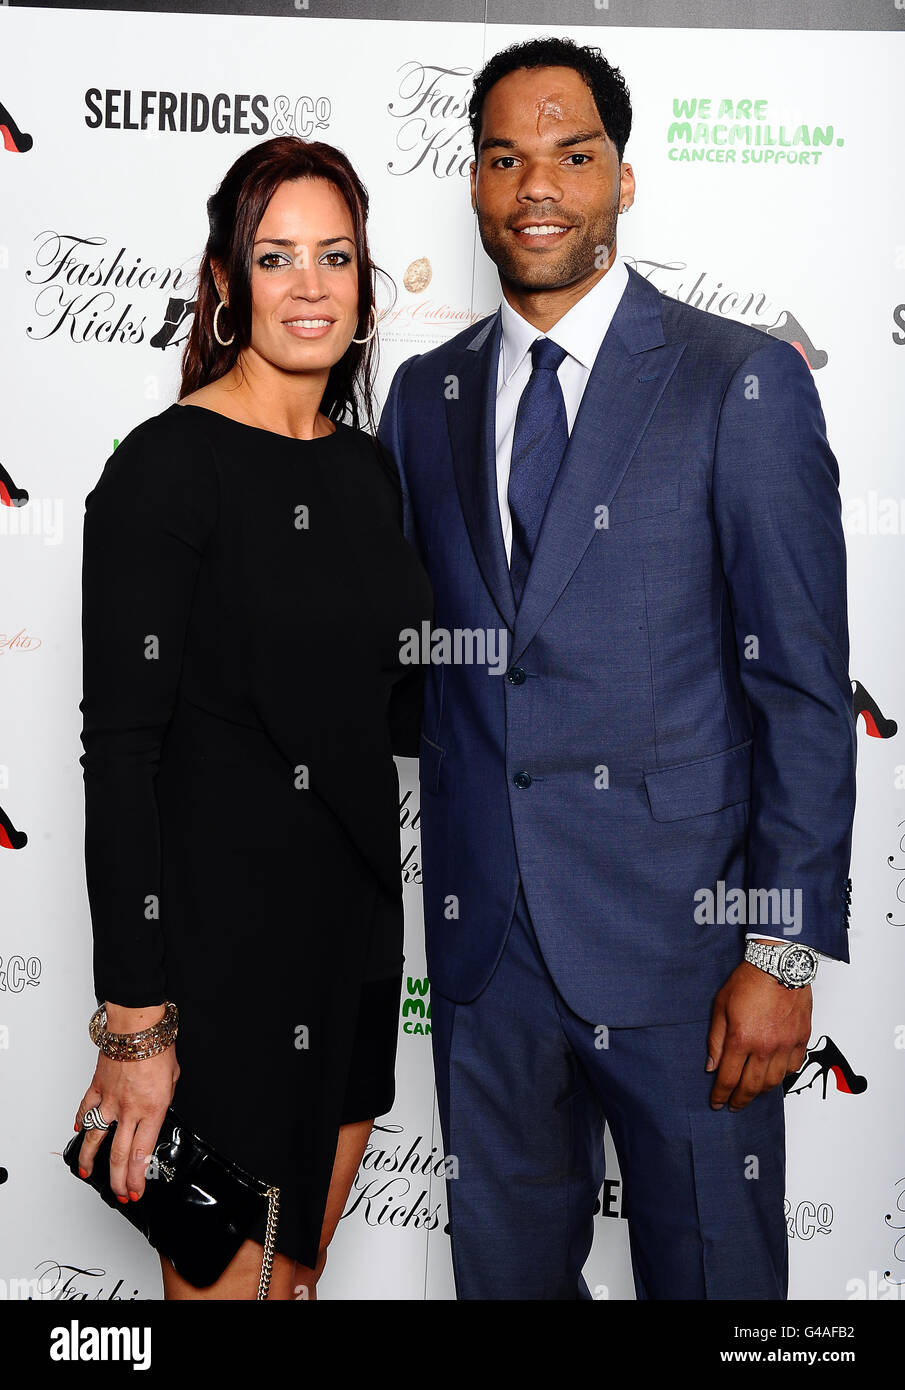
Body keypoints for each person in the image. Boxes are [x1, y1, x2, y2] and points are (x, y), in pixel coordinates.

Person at [378, 36, 856, 1300]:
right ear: (474, 184)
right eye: (504, 158)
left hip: (686, 961)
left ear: (621, 180)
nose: (537, 185)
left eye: (571, 154)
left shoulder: (735, 381)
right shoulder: (420, 398)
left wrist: (781, 954)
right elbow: (415, 664)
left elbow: (803, 692)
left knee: (713, 1287)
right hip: (485, 961)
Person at [74, 136, 432, 1301]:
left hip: (349, 951)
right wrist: (136, 1022)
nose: (313, 283)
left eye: (336, 255)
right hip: (217, 976)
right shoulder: (163, 471)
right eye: (277, 257)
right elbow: (120, 754)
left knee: (291, 1292)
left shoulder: (371, 475)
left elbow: (393, 708)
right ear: (226, 283)